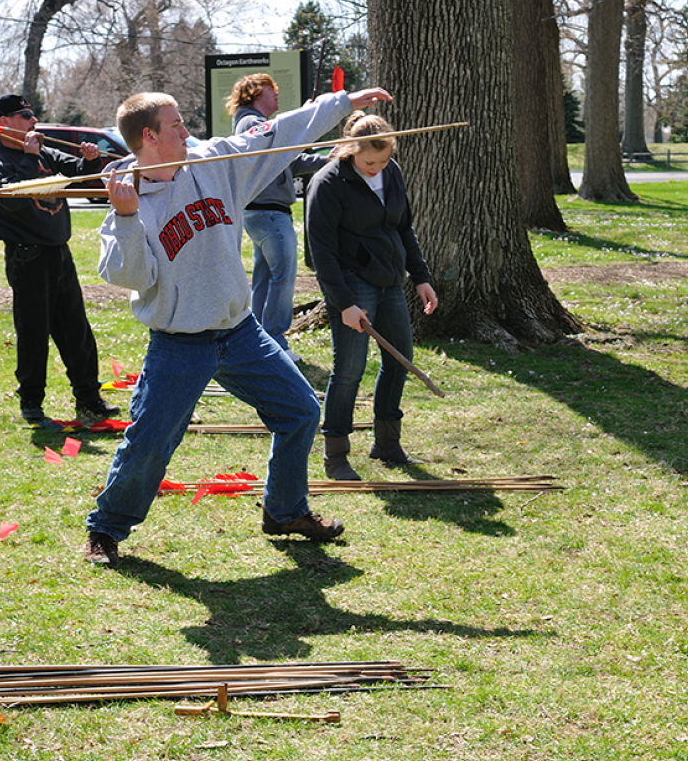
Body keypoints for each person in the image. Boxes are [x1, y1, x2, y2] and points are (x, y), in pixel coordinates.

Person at [85, 86, 393, 567]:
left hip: (239, 330)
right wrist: (125, 219)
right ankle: (105, 530)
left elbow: (280, 134)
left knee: (298, 412)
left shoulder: (214, 161)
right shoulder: (129, 201)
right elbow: (134, 278)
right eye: (176, 125)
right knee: (150, 441)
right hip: (180, 342)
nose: (187, 130)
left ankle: (285, 511)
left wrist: (340, 105)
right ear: (148, 136)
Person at [305, 112, 439, 481]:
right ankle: (336, 455)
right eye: (368, 162)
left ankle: (386, 442)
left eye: (382, 161)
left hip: (390, 279)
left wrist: (421, 277)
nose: (375, 168)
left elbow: (403, 227)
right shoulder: (328, 182)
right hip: (351, 283)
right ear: (350, 150)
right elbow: (321, 251)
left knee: (400, 358)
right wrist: (345, 302)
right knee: (349, 369)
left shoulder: (391, 171)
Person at [0, 94, 119, 425]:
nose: (34, 121)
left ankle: (89, 400)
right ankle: (32, 403)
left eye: (33, 115)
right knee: (33, 333)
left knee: (77, 331)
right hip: (27, 257)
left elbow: (79, 175)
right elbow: (13, 199)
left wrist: (89, 161)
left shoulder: (44, 151)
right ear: (4, 122)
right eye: (25, 115)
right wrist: (30, 158)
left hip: (59, 252)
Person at [228, 73, 326, 361]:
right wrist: (305, 119)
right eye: (273, 91)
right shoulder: (252, 123)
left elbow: (290, 161)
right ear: (257, 92)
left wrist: (327, 158)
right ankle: (274, 341)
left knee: (266, 277)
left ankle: (258, 340)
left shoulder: (255, 123)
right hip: (268, 212)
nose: (278, 96)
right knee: (282, 276)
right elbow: (281, 143)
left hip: (263, 212)